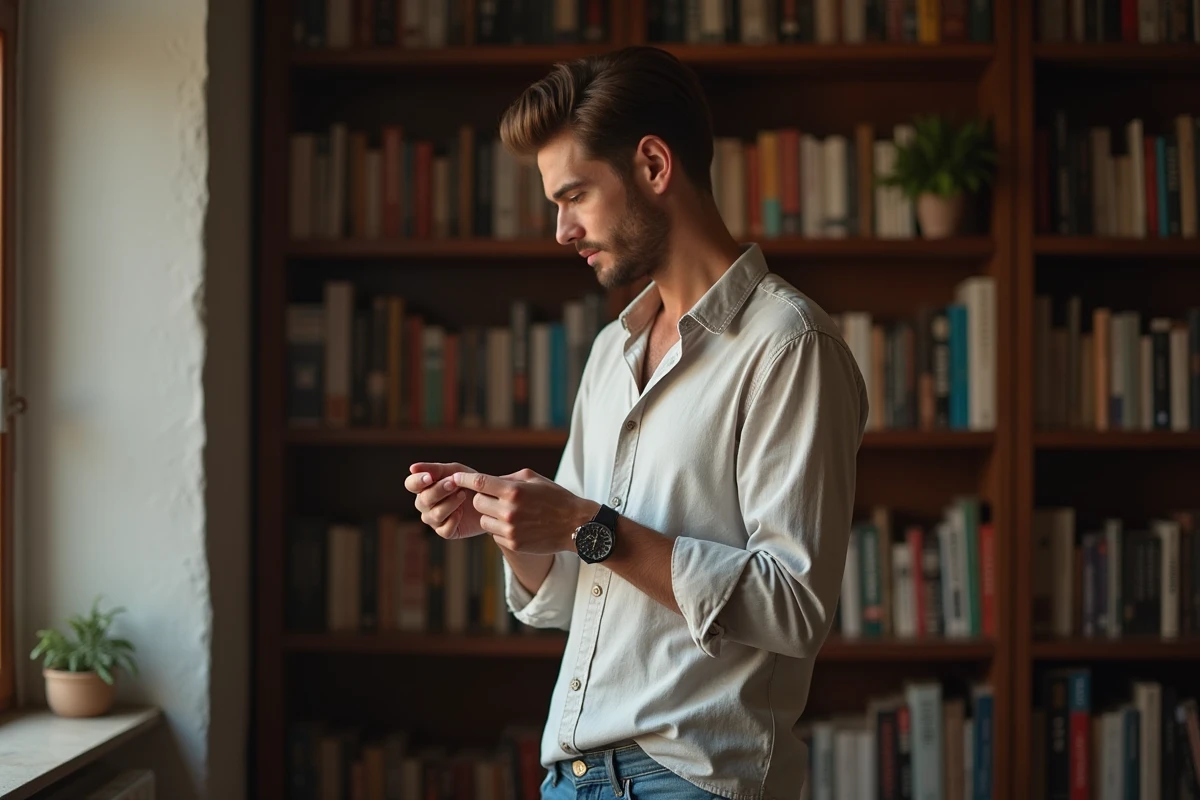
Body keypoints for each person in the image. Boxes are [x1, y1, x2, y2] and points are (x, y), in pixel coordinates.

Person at [403, 45, 868, 800]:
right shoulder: (610, 353)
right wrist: (514, 525)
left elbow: (793, 605)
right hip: (572, 776)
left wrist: (588, 523)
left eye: (575, 196)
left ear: (654, 165)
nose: (561, 231)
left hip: (689, 783)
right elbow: (565, 598)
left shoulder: (789, 347)